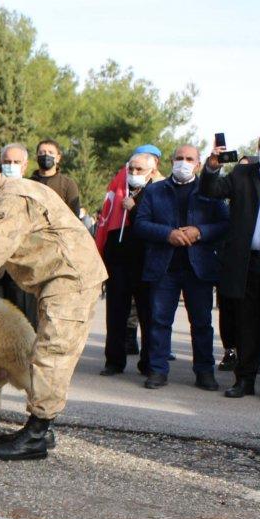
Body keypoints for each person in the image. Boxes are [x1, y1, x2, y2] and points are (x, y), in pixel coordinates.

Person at [0, 153, 107, 460]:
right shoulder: (9, 197)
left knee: (51, 353)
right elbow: (0, 261)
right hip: (60, 277)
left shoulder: (13, 196)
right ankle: (42, 426)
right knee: (49, 350)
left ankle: (37, 434)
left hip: (68, 277)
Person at [133, 144, 229, 390]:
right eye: (179, 158)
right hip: (164, 268)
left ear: (197, 164)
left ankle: (204, 372)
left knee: (201, 323)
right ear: (171, 162)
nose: (183, 163)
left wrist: (200, 231)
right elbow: (140, 224)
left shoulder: (210, 191)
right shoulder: (154, 191)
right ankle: (157, 370)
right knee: (159, 321)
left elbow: (225, 223)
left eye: (189, 159)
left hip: (199, 268)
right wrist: (168, 234)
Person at [200, 128, 260, 402]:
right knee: (247, 324)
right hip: (248, 264)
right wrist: (212, 166)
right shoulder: (244, 175)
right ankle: (244, 380)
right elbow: (211, 190)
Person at [98, 146, 162, 377]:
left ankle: (148, 363)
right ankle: (114, 360)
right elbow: (105, 222)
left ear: (152, 171)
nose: (133, 172)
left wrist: (134, 210)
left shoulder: (158, 192)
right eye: (131, 168)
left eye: (139, 169)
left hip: (145, 261)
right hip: (118, 261)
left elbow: (157, 227)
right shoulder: (120, 190)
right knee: (116, 313)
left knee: (148, 315)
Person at [0, 143, 37, 326]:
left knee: (25, 323)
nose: (11, 165)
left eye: (16, 162)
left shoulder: (33, 191)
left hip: (23, 266)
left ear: (25, 166)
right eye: (7, 161)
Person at [31, 139, 81, 215]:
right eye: (42, 152)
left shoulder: (68, 184)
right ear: (36, 157)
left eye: (50, 153)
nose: (46, 155)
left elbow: (74, 215)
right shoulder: (28, 183)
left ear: (58, 158)